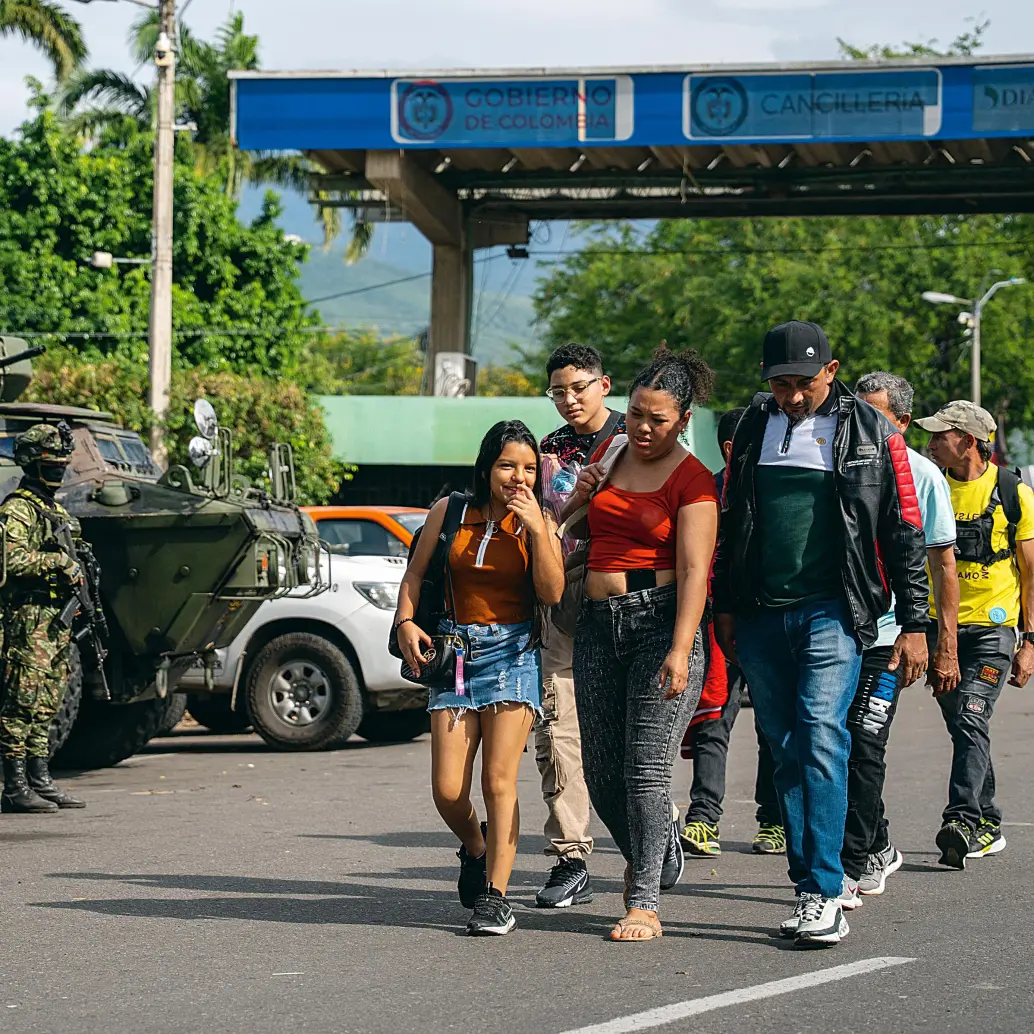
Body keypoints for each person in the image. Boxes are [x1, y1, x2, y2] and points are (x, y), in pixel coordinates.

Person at [714, 321, 929, 947]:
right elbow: (731, 521)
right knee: (783, 748)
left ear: (830, 371)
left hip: (834, 611)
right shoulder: (753, 425)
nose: (791, 395)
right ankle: (810, 879)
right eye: (779, 384)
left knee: (821, 734)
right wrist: (726, 605)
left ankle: (824, 890)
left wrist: (916, 625)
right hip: (758, 613)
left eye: (802, 383)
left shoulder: (872, 432)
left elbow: (904, 534)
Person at [566, 346, 719, 942]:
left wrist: (681, 650)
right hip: (598, 625)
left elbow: (695, 571)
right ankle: (659, 845)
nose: (644, 428)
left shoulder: (693, 479)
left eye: (658, 419)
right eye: (635, 414)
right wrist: (580, 497)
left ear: (684, 420)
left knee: (645, 771)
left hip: (661, 624)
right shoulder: (609, 461)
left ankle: (645, 899)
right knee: (601, 771)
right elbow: (572, 528)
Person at [393, 420, 563, 936]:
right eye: (508, 466)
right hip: (455, 654)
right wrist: (405, 622)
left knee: (499, 781)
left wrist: (536, 528)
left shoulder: (541, 522)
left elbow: (553, 594)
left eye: (530, 468)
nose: (519, 477)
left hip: (513, 655)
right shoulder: (450, 511)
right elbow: (415, 575)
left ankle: (497, 896)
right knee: (447, 790)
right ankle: (475, 845)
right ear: (487, 467)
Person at [844, 373, 960, 898]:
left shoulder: (922, 475)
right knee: (833, 745)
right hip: (838, 633)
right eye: (856, 410)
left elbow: (941, 567)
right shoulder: (839, 462)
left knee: (865, 743)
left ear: (903, 422)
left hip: (891, 639)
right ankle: (879, 841)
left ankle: (856, 860)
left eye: (875, 413)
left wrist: (941, 643)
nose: (861, 421)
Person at [916, 400, 1034, 869]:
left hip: (993, 630)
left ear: (967, 441)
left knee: (970, 715)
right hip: (937, 629)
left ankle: (961, 820)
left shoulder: (1012, 492)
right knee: (967, 726)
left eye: (939, 435)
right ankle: (988, 819)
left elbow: (1031, 573)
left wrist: (1031, 642)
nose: (929, 443)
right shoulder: (931, 486)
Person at [534, 343, 624, 908]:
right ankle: (570, 856)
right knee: (556, 731)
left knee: (622, 734)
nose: (568, 400)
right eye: (557, 391)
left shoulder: (638, 437)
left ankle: (653, 825)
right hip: (560, 604)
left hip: (625, 603)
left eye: (578, 387)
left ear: (604, 385)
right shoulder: (548, 450)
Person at [678, 407, 785, 859]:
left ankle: (774, 822)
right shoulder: (706, 492)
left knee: (771, 726)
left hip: (769, 626)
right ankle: (703, 819)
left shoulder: (778, 488)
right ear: (730, 448)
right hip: (717, 625)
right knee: (712, 720)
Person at [0, 422, 86, 813]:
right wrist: (56, 561)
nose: (58, 474)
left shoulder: (55, 510)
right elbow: (12, 559)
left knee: (48, 702)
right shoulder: (17, 509)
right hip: (28, 618)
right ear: (32, 465)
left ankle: (40, 778)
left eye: (62, 467)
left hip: (55, 621)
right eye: (51, 467)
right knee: (20, 702)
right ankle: (15, 787)